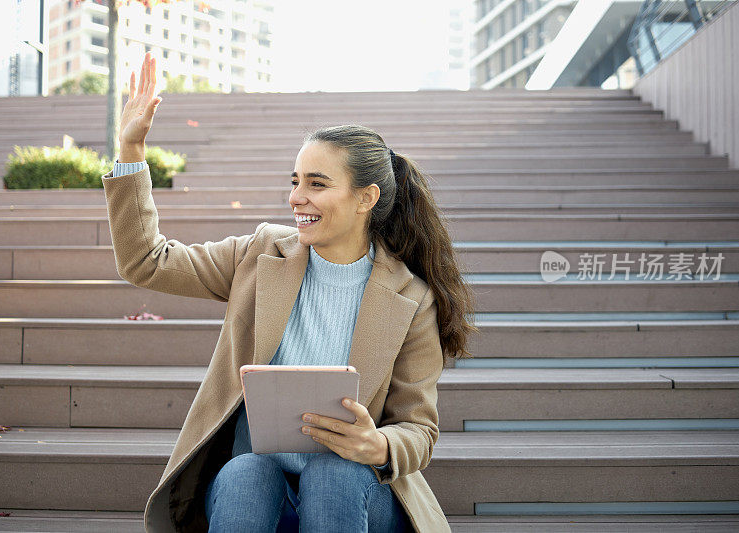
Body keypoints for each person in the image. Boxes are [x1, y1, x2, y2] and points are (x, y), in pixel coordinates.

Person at [102, 52, 477, 532]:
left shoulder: (411, 298)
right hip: (261, 489)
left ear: (366, 198)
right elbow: (146, 262)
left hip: (357, 494)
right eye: (296, 181)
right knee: (245, 474)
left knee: (333, 473)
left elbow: (419, 430)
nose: (297, 197)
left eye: (317, 184)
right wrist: (131, 150)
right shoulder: (260, 255)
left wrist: (378, 446)